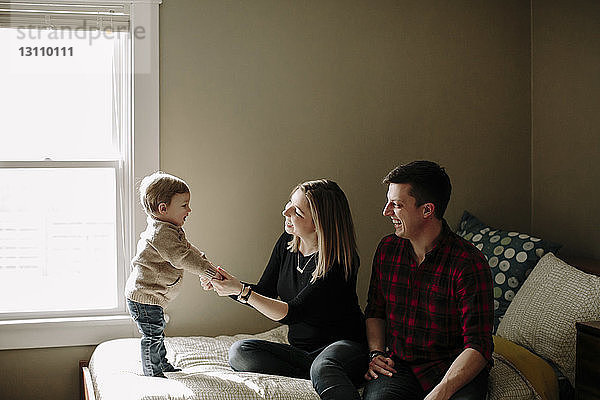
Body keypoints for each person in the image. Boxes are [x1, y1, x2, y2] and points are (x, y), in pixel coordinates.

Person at [201, 179, 367, 399]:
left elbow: (292, 312)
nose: (285, 211)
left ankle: (324, 372)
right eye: (290, 203)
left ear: (319, 223)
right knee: (241, 353)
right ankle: (316, 373)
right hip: (303, 352)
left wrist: (241, 290)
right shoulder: (287, 243)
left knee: (324, 365)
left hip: (343, 347)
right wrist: (225, 283)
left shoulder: (338, 263)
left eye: (296, 211)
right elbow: (264, 292)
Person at [362, 161, 494, 400]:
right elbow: (375, 310)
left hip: (453, 368)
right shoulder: (387, 250)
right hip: (399, 365)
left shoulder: (468, 263)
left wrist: (439, 394)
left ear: (427, 210)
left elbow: (479, 345)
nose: (386, 212)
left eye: (397, 205)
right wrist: (375, 353)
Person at [125, 171, 220, 378]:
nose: (189, 209)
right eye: (184, 205)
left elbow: (186, 248)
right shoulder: (161, 234)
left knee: (157, 331)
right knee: (152, 334)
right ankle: (152, 371)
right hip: (145, 297)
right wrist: (207, 271)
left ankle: (162, 363)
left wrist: (205, 262)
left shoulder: (169, 227)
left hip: (152, 296)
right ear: (163, 208)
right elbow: (181, 257)